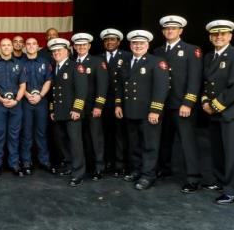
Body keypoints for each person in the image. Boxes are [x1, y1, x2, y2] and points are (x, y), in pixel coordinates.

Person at [201, 20, 234, 205]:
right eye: (215, 34)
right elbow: (207, 83)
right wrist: (205, 100)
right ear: (210, 37)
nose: (219, 37)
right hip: (215, 113)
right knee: (218, 150)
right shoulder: (209, 57)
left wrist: (213, 105)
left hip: (233, 113)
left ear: (230, 36)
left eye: (223, 34)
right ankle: (222, 181)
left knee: (233, 152)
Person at [153, 16, 203, 193]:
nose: (170, 31)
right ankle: (164, 169)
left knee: (187, 142)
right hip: (162, 105)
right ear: (163, 31)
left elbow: (195, 79)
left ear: (180, 31)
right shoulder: (158, 52)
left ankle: (193, 177)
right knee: (164, 140)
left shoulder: (191, 50)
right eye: (167, 29)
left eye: (173, 29)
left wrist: (188, 102)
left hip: (181, 105)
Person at [114, 30, 169, 190]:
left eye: (141, 43)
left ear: (147, 45)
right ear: (130, 45)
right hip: (130, 110)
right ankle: (137, 170)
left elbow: (161, 88)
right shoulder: (125, 62)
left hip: (148, 112)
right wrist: (118, 105)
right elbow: (120, 86)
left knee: (149, 145)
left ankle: (148, 175)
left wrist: (155, 110)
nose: (138, 46)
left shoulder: (157, 62)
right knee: (134, 144)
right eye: (134, 43)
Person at [48, 38, 87, 187]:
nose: (57, 53)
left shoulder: (76, 67)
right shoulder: (54, 67)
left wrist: (77, 109)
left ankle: (78, 173)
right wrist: (52, 109)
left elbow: (81, 90)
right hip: (59, 112)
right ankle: (70, 166)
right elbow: (53, 92)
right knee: (62, 142)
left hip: (72, 113)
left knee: (75, 143)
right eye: (54, 51)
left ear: (67, 51)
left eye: (60, 50)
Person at [71, 33, 109, 180]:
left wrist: (98, 106)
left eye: (84, 45)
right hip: (77, 108)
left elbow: (102, 86)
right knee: (81, 139)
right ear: (74, 47)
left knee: (95, 138)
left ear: (89, 46)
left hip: (92, 107)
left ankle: (99, 168)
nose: (81, 47)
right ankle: (85, 167)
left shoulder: (97, 62)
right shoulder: (71, 62)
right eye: (78, 45)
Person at [0, 38, 26, 178]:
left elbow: (23, 85)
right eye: (3, 45)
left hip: (16, 105)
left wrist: (16, 100)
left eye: (8, 45)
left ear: (12, 47)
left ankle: (14, 164)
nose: (6, 47)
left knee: (14, 135)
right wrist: (0, 99)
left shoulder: (20, 64)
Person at [99, 28, 132, 177]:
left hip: (120, 102)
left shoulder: (127, 56)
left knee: (120, 134)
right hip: (101, 102)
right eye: (106, 40)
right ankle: (107, 161)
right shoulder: (97, 58)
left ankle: (120, 164)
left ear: (118, 41)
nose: (109, 42)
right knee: (104, 134)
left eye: (112, 39)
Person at [22, 37, 54, 174]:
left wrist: (40, 95)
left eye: (33, 44)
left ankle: (44, 161)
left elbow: (48, 81)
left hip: (41, 102)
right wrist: (28, 95)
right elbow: (18, 83)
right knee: (27, 133)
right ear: (25, 47)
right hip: (26, 101)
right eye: (28, 44)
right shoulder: (19, 63)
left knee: (41, 133)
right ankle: (26, 162)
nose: (30, 46)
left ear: (38, 46)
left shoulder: (45, 62)